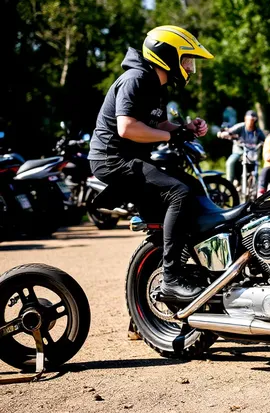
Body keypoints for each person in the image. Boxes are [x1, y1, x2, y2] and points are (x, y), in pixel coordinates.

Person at [87, 25, 212, 301]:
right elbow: (127, 127)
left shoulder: (158, 85)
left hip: (132, 157)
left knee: (192, 187)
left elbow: (157, 123)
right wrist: (171, 134)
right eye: (187, 59)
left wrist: (186, 128)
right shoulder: (135, 79)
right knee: (178, 192)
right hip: (112, 159)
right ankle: (171, 279)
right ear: (166, 56)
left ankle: (144, 306)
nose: (190, 68)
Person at [217, 110, 265, 183]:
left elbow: (265, 139)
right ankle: (229, 183)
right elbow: (229, 131)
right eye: (249, 119)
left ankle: (257, 186)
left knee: (256, 166)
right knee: (230, 162)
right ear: (245, 119)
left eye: (252, 120)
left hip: (251, 154)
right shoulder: (241, 127)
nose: (250, 122)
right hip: (239, 152)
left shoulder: (258, 131)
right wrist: (224, 134)